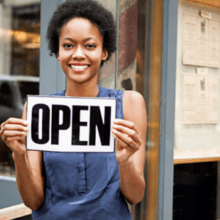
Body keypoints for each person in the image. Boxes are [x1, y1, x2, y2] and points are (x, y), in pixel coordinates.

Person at [0, 0, 147, 219]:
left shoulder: (129, 103)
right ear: (57, 52)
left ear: (104, 52)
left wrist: (125, 160)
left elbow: (135, 196)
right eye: (68, 45)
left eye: (90, 45)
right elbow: (33, 200)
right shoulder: (38, 110)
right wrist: (19, 155)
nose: (78, 54)